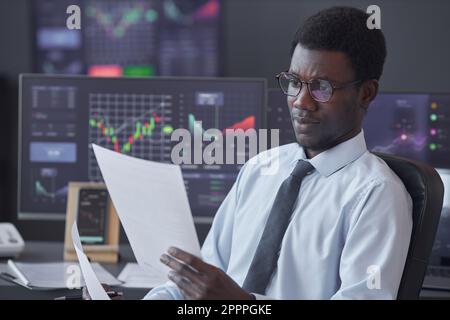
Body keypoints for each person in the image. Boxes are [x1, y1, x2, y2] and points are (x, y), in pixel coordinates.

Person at [144, 6, 412, 300]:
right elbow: (200, 281)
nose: (301, 102)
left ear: (366, 93)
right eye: (295, 83)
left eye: (321, 88)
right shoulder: (260, 169)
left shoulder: (377, 195)